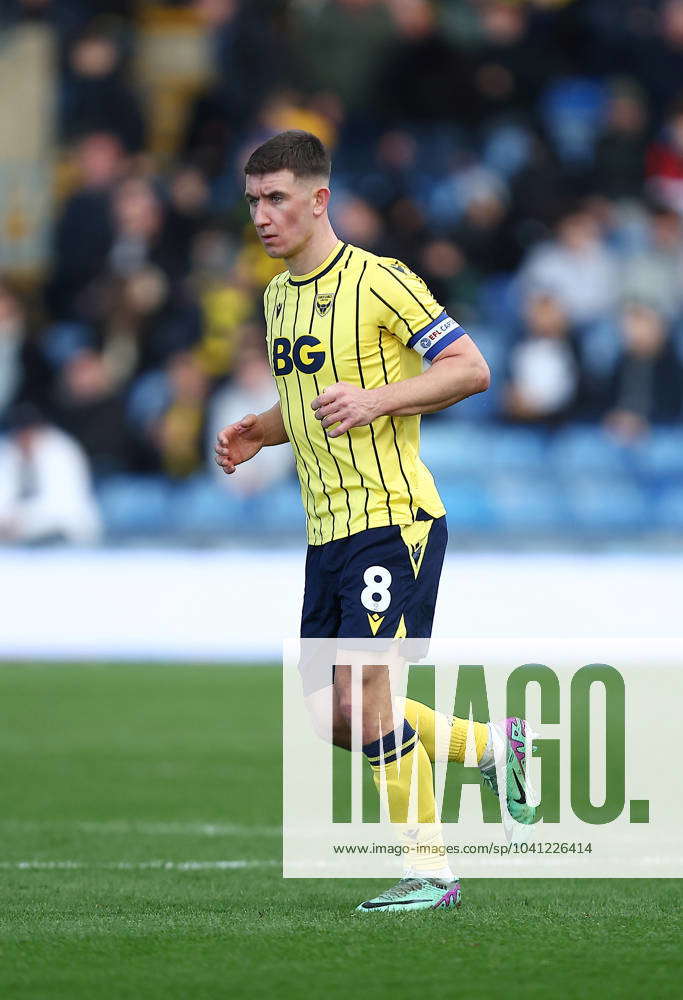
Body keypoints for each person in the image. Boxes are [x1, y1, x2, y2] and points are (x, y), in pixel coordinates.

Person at [214, 131, 535, 912]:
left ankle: (431, 872)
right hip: (325, 537)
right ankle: (492, 746)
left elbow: (470, 368)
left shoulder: (380, 280)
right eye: (254, 199)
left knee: (365, 694)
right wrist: (263, 427)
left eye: (277, 198)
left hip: (393, 521)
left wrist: (377, 398)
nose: (262, 215)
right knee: (336, 720)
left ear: (318, 200)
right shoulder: (276, 296)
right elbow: (313, 402)